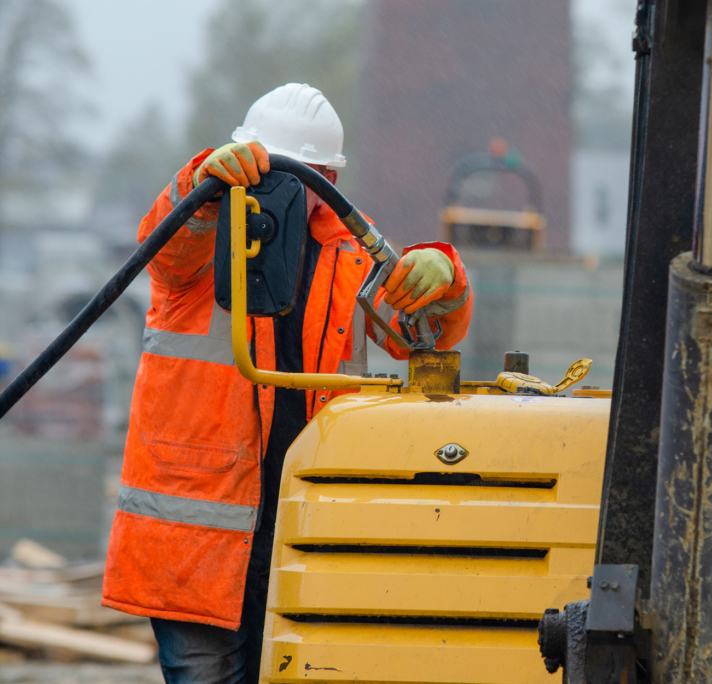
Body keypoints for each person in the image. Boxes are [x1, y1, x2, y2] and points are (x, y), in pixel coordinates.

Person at [101, 83, 473, 683]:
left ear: (328, 177)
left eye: (308, 174)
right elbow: (166, 251)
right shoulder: (202, 232)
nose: (290, 187)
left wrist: (445, 277)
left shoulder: (351, 250)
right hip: (200, 533)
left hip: (302, 527)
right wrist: (201, 183)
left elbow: (419, 333)